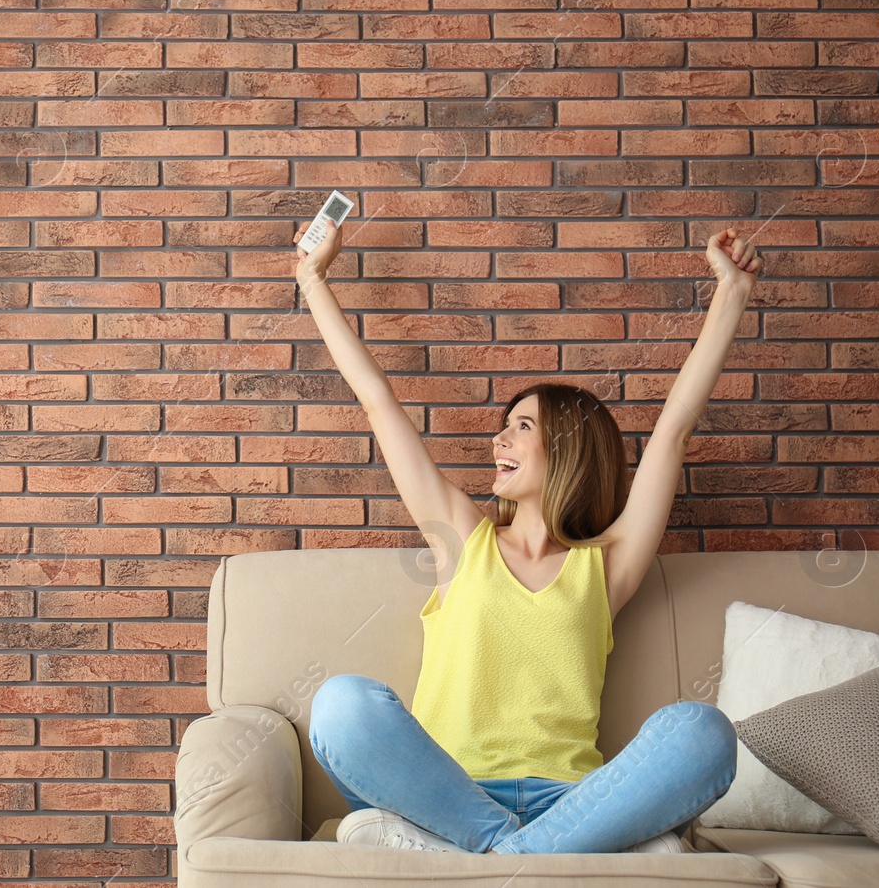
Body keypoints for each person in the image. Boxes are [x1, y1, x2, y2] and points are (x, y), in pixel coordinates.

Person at [291, 214, 763, 856]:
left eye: (520, 428)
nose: (498, 440)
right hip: (450, 793)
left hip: (572, 798)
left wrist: (731, 291)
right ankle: (532, 855)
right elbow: (377, 402)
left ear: (567, 449)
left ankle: (491, 860)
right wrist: (313, 280)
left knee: (703, 731)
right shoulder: (462, 536)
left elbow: (675, 428)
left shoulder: (609, 564)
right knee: (342, 703)